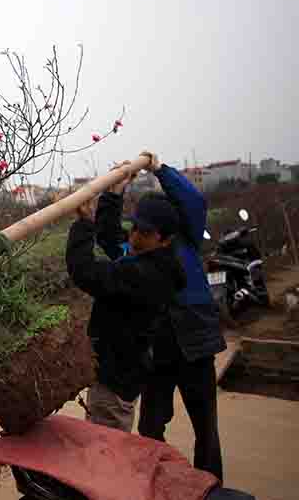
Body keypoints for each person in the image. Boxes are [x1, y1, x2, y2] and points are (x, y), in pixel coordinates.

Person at [65, 162, 186, 432]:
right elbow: (110, 236)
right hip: (121, 374)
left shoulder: (146, 274)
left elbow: (85, 272)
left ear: (165, 240)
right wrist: (113, 193)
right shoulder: (150, 257)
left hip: (114, 380)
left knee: (105, 454)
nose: (134, 237)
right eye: (134, 228)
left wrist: (83, 224)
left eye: (144, 233)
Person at [135, 152, 226, 482]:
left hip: (196, 344)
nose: (140, 233)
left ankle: (209, 487)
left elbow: (194, 202)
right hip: (158, 351)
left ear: (163, 230)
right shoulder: (137, 254)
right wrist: (113, 194)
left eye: (146, 227)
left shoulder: (186, 241)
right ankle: (162, 483)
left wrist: (160, 170)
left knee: (206, 429)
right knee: (149, 428)